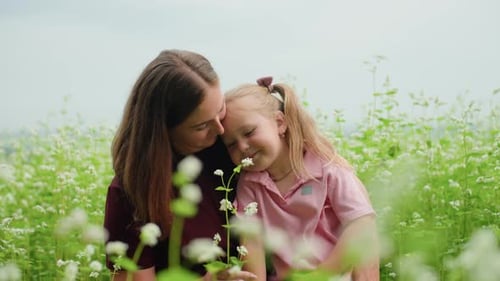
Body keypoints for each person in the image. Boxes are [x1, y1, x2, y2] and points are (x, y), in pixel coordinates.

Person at [103, 49, 257, 281]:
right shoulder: (130, 193)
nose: (220, 129)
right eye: (201, 126)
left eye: (220, 109)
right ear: (162, 131)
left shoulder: (231, 150)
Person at [220, 77, 380, 281]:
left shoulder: (327, 168)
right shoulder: (250, 183)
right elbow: (252, 245)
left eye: (249, 132)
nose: (242, 147)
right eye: (231, 144)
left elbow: (361, 226)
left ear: (280, 123)